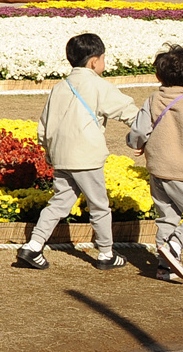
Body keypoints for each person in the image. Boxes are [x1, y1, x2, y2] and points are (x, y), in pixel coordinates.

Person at [17, 32, 141, 271]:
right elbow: (130, 113)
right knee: (99, 205)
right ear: (94, 61)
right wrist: (142, 135)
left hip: (61, 156)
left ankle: (33, 245)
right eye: (103, 58)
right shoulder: (99, 85)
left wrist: (49, 151)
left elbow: (44, 125)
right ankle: (106, 253)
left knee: (59, 202)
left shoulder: (59, 87)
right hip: (87, 157)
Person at [126, 44, 183, 284]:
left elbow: (139, 131)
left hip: (157, 169)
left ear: (158, 75)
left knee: (167, 216)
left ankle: (163, 267)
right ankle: (175, 245)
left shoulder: (152, 100)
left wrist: (136, 143)